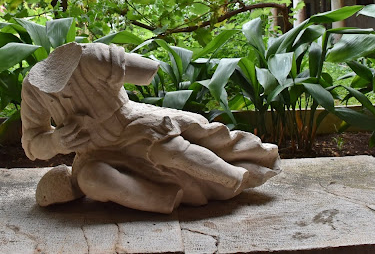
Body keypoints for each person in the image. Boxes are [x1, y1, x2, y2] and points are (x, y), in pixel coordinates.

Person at [21, 42, 281, 213]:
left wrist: (110, 60)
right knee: (91, 179)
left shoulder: (90, 58)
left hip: (132, 123)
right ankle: (163, 200)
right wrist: (56, 142)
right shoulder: (32, 88)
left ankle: (234, 176)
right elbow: (32, 143)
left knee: (167, 149)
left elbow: (147, 71)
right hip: (94, 151)